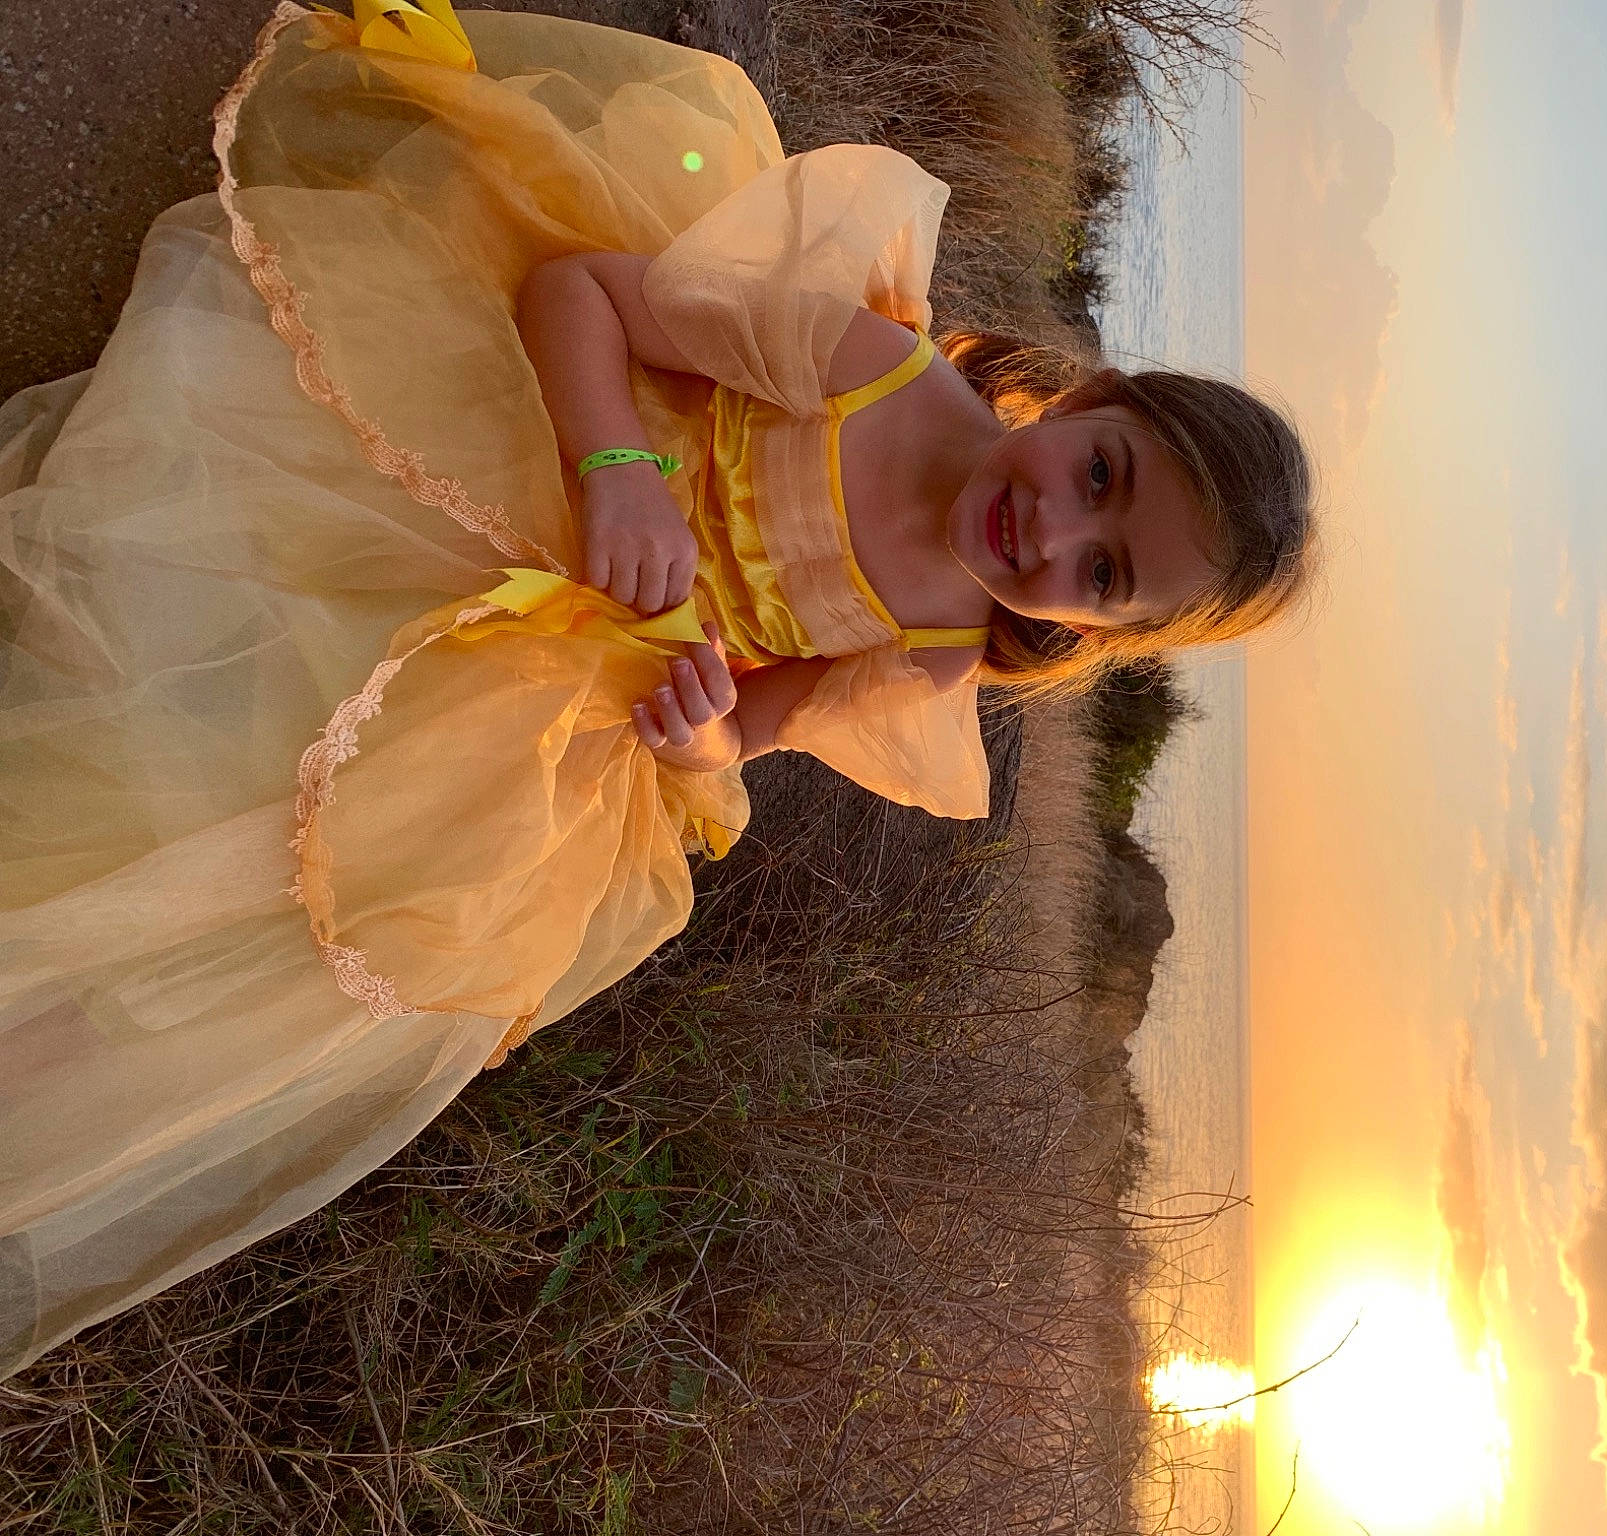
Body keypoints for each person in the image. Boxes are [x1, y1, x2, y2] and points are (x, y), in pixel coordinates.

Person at [0, 1, 1313, 1377]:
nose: (1051, 537)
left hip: (567, 667)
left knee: (329, 863)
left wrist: (696, 731)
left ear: (1103, 630)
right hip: (535, 450)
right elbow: (583, 293)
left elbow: (756, 728)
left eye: (1101, 576)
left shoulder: (937, 649)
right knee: (226, 552)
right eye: (1099, 479)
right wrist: (618, 470)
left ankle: (86, 966)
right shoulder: (881, 376)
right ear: (1092, 401)